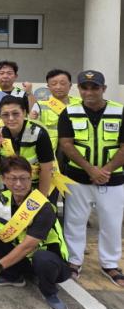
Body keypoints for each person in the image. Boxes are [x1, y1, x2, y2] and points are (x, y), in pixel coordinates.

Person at [57, 70, 124, 287]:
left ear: (103, 89)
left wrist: (105, 170)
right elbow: (66, 144)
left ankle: (110, 264)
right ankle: (74, 262)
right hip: (77, 179)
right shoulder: (69, 112)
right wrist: (90, 170)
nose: (89, 92)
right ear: (79, 89)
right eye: (84, 87)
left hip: (113, 179)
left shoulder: (120, 111)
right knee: (74, 222)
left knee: (111, 223)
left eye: (94, 87)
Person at [0, 158, 71, 309]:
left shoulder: (42, 206)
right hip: (22, 259)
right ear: (3, 179)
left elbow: (29, 245)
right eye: (13, 178)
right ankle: (14, 277)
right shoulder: (3, 198)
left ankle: (50, 292)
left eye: (24, 178)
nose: (19, 184)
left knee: (42, 258)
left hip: (50, 262)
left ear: (31, 179)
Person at [0, 95, 55, 197]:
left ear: (24, 113)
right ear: (0, 116)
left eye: (15, 113)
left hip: (36, 185)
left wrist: (40, 199)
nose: (11, 118)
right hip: (10, 186)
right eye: (5, 115)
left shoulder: (39, 133)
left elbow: (47, 169)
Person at [30, 69, 81, 152]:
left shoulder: (80, 103)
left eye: (63, 83)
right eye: (54, 84)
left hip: (77, 148)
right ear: (48, 87)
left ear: (70, 85)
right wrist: (32, 120)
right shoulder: (40, 105)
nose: (58, 87)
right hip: (51, 150)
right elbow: (31, 132)